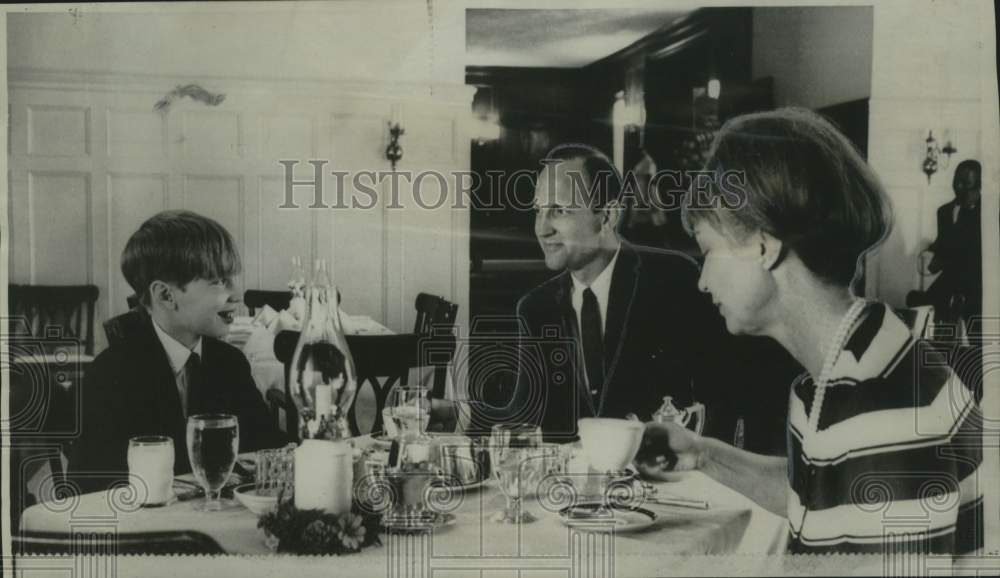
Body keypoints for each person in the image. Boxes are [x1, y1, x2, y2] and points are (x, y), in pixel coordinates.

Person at [636, 108, 982, 555]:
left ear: (764, 246)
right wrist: (704, 455)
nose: (703, 280)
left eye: (708, 251)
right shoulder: (849, 366)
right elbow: (816, 495)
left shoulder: (876, 408)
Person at [468, 143, 796, 445]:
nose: (542, 228)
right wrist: (449, 411)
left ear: (607, 216)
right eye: (538, 210)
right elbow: (522, 415)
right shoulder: (534, 309)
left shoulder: (676, 279)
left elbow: (730, 397)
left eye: (559, 210)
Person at [68, 210, 285, 494]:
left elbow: (267, 447)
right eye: (218, 281)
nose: (237, 293)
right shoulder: (111, 374)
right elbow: (90, 485)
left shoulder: (229, 363)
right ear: (165, 296)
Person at [920, 159, 984, 332]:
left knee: (977, 333)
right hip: (951, 277)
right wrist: (930, 251)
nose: (960, 187)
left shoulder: (988, 212)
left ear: (978, 185)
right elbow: (943, 241)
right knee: (930, 312)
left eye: (966, 183)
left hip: (977, 282)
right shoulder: (944, 211)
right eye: (957, 181)